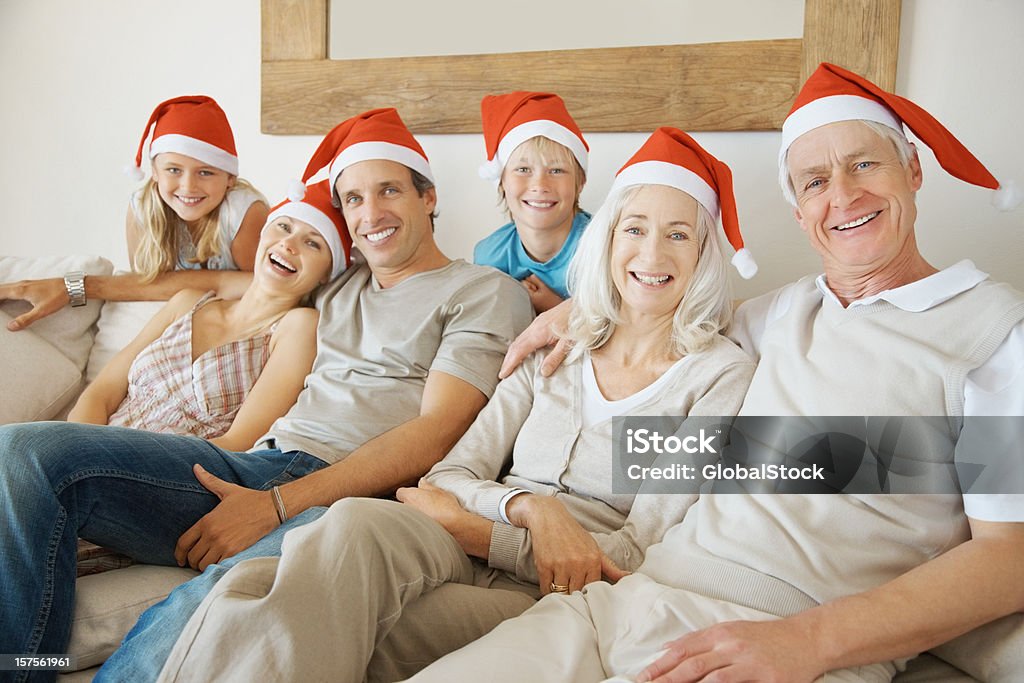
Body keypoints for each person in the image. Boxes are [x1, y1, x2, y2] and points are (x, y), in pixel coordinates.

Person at [410, 63, 1024, 683]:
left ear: (913, 169)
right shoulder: (776, 315)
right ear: (798, 210)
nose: (842, 194)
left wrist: (806, 641)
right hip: (621, 603)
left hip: (787, 635)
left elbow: (1010, 557)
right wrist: (576, 309)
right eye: (814, 181)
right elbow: (659, 304)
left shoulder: (995, 336)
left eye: (865, 164)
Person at [153, 127, 756, 683]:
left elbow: (637, 548)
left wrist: (478, 530)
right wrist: (530, 510)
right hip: (469, 537)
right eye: (635, 229)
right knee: (343, 528)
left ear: (705, 254)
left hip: (554, 591)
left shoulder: (716, 377)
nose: (651, 254)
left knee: (306, 615)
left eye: (679, 234)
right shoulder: (557, 345)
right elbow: (449, 474)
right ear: (608, 241)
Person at [0, 107, 534, 683]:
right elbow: (195, 285)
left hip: (340, 497)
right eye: (352, 199)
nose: (371, 212)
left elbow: (439, 430)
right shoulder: (334, 281)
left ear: (428, 198)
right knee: (24, 455)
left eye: (389, 191)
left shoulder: (480, 290)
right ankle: (26, 669)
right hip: (249, 466)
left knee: (205, 613)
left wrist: (280, 505)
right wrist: (76, 287)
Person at [67, 179, 351, 451]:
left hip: (168, 475)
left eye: (312, 243)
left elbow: (237, 443)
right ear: (263, 234)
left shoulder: (298, 326)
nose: (288, 244)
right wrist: (76, 452)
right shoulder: (188, 302)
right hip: (92, 452)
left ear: (328, 272)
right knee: (26, 444)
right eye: (283, 227)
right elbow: (100, 394)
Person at [0, 96, 268, 332]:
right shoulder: (143, 208)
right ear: (154, 171)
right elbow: (146, 286)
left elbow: (258, 286)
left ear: (230, 178)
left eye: (206, 172)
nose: (188, 186)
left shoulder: (243, 211)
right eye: (174, 170)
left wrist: (74, 287)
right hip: (175, 322)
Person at [473, 91, 592, 313]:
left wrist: (553, 308)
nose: (540, 184)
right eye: (523, 170)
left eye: (556, 170)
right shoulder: (489, 255)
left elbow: (622, 328)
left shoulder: (602, 248)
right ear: (501, 182)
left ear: (580, 182)